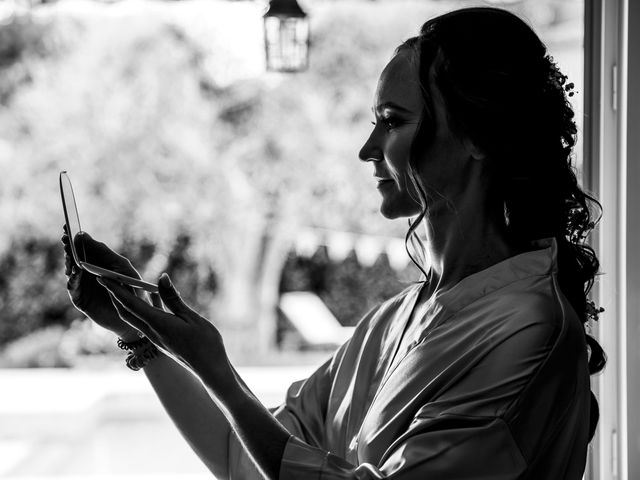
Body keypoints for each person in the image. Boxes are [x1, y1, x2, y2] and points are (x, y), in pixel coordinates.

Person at [61, 7, 605, 479]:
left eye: (392, 121)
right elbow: (244, 460)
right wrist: (140, 332)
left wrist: (218, 371)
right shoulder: (390, 321)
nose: (368, 149)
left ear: (479, 136)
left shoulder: (527, 330)